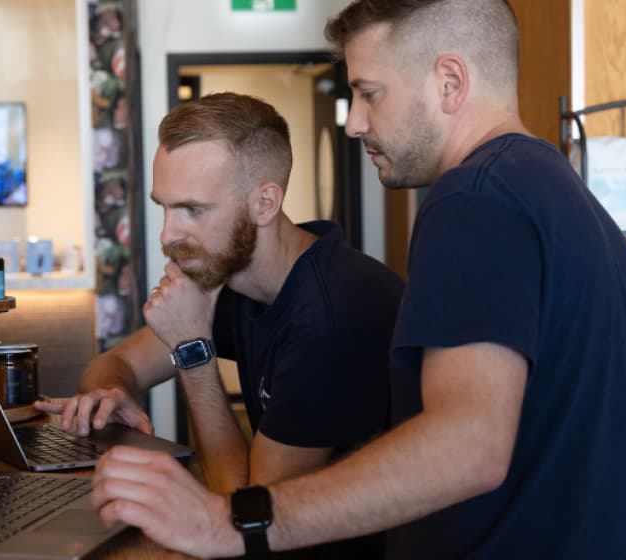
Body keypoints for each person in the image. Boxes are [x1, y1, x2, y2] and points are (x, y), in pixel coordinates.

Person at [85, 1, 626, 558]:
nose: (354, 122)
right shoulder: (551, 187)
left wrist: (230, 522)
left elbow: (470, 445)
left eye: (369, 93)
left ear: (450, 82)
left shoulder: (475, 200)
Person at [38, 92, 405, 558]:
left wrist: (193, 350)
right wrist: (112, 392)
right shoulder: (234, 276)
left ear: (265, 203)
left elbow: (244, 516)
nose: (168, 234)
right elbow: (117, 362)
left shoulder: (331, 320)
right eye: (164, 207)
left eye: (193, 209)